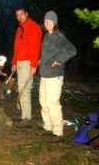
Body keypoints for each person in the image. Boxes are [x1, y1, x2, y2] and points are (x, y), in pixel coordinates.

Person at [38, 11, 76, 142]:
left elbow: (72, 50)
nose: (47, 23)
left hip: (55, 76)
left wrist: (59, 60)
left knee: (52, 103)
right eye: (45, 21)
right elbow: (47, 55)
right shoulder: (47, 36)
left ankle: (58, 132)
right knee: (43, 102)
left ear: (55, 23)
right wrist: (40, 61)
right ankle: (48, 126)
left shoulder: (59, 37)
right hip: (44, 74)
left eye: (50, 21)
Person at [11, 7, 43, 127]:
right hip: (19, 62)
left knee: (25, 89)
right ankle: (24, 114)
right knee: (20, 88)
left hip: (27, 62)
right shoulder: (19, 29)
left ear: (26, 14)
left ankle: (27, 118)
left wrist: (34, 65)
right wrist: (14, 62)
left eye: (21, 14)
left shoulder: (34, 27)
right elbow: (16, 47)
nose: (19, 17)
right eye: (17, 15)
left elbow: (36, 48)